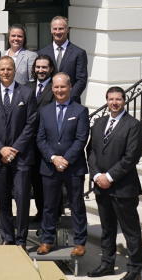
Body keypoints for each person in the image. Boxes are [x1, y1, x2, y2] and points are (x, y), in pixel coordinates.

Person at [87, 87, 142, 280]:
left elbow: (131, 157)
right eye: (111, 99)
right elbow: (91, 152)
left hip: (123, 188)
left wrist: (109, 177)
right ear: (106, 100)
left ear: (124, 101)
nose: (114, 103)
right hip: (101, 187)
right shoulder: (99, 123)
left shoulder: (133, 125)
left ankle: (135, 269)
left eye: (118, 99)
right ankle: (107, 264)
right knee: (107, 229)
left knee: (131, 231)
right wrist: (96, 176)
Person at [36, 73, 89, 257]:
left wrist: (65, 159)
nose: (59, 90)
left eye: (63, 87)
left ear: (70, 87)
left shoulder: (80, 111)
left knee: (76, 205)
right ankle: (47, 240)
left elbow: (81, 138)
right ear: (52, 89)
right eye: (56, 87)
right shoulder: (45, 111)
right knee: (49, 206)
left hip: (73, 167)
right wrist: (53, 158)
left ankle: (80, 242)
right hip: (50, 167)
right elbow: (40, 139)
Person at [0, 56, 37, 247]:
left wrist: (14, 149)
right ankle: (7, 237)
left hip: (21, 157)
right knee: (2, 199)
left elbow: (31, 124)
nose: (6, 72)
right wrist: (1, 148)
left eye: (9, 69)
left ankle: (21, 238)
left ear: (14, 70)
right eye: (2, 69)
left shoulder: (26, 93)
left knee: (22, 198)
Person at [29, 54, 56, 219]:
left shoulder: (55, 88)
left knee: (50, 183)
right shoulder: (26, 87)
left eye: (44, 67)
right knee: (36, 181)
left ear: (51, 69)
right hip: (30, 143)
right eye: (38, 67)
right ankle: (40, 213)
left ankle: (53, 215)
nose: (41, 70)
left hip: (48, 142)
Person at [37, 16, 88, 101]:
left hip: (71, 101)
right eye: (55, 29)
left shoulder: (79, 53)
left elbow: (81, 80)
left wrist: (68, 98)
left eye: (61, 29)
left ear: (67, 30)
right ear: (51, 30)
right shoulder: (42, 52)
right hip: (47, 102)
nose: (57, 32)